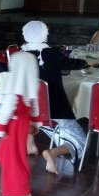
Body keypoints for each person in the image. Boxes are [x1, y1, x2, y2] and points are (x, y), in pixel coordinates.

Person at [20, 21, 90, 174]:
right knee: (83, 141)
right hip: (56, 109)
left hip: (31, 112)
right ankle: (54, 153)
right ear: (45, 35)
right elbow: (73, 63)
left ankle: (30, 140)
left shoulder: (20, 54)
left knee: (60, 131)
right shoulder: (51, 53)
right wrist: (87, 63)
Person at [0, 51, 42, 196]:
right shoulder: (31, 84)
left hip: (13, 124)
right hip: (22, 122)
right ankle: (14, 183)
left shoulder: (13, 86)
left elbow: (8, 107)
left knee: (12, 157)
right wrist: (34, 122)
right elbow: (34, 104)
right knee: (4, 154)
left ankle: (20, 192)